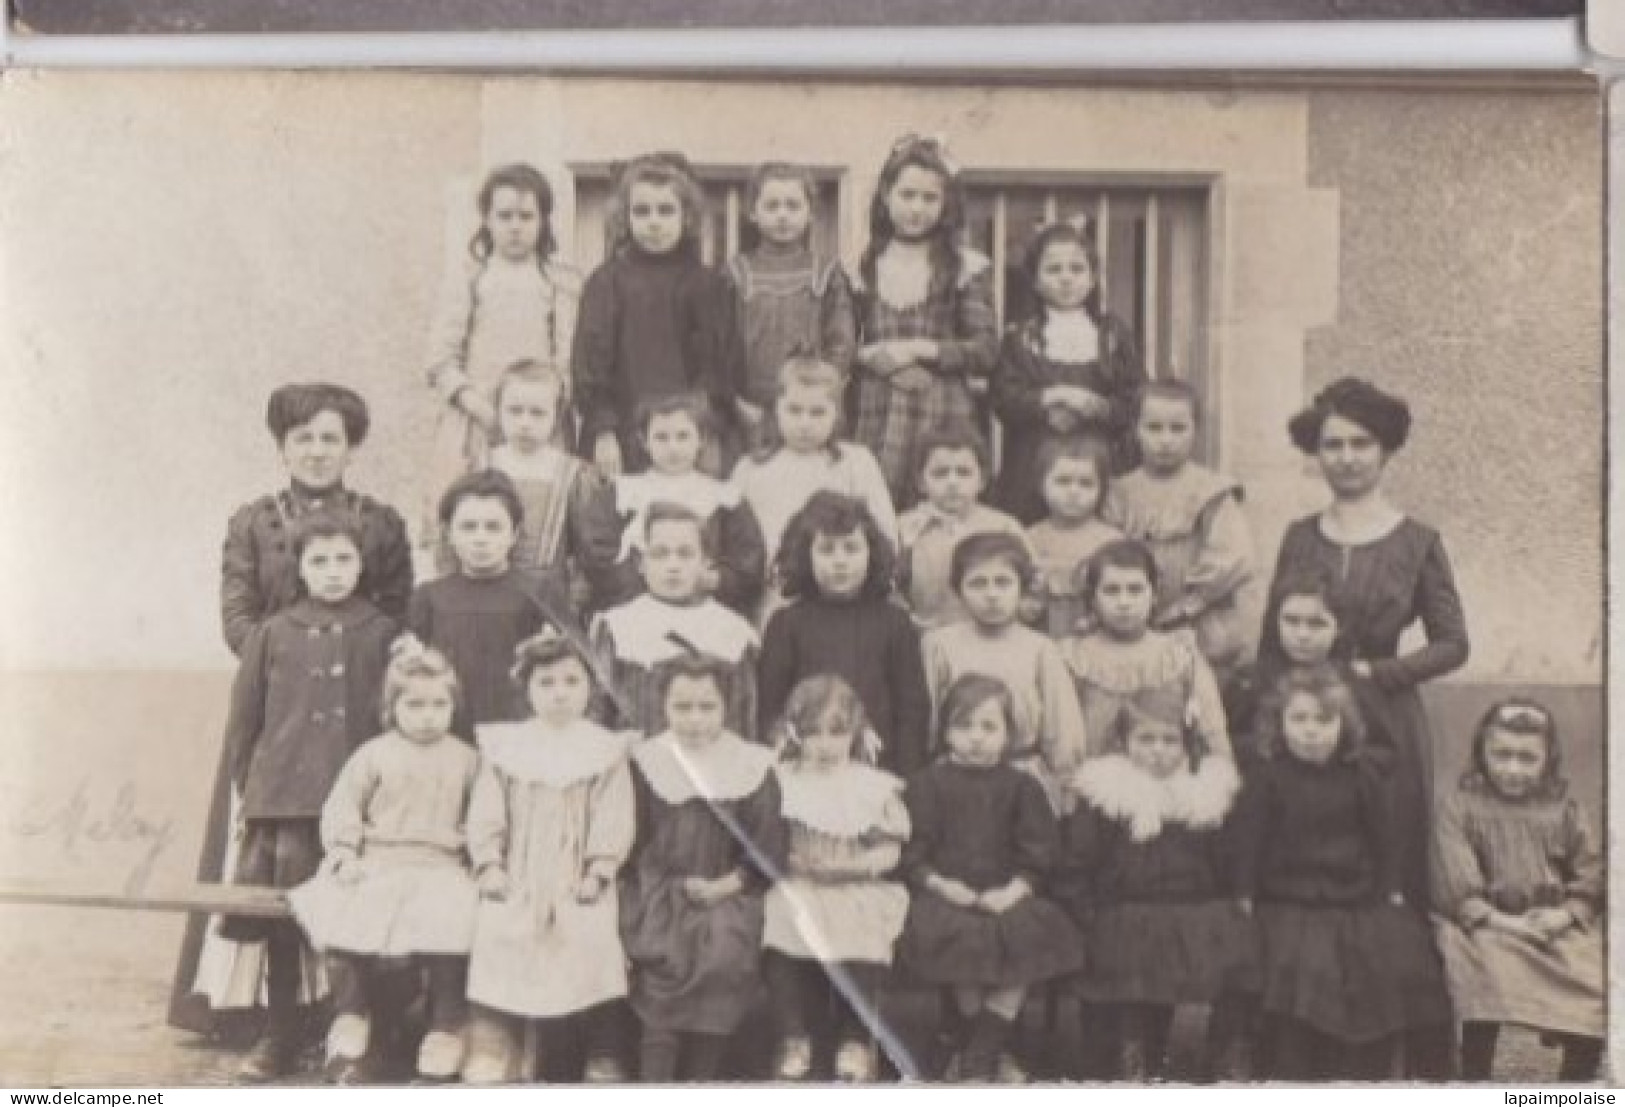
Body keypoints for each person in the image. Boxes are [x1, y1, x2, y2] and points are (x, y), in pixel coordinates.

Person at [173, 382, 413, 1036]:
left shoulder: (380, 522)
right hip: (278, 713)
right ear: (282, 447)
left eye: (330, 437)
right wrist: (289, 664)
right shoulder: (252, 521)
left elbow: (396, 613)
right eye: (302, 438)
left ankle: (350, 1014)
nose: (316, 450)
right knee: (274, 859)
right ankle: (259, 1013)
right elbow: (238, 616)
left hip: (358, 711)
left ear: (351, 446)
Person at [1261, 376, 1470, 916]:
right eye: (1333, 445)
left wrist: (1379, 674)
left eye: (1361, 444)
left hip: (1385, 723)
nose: (1347, 458)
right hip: (1301, 718)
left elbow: (1452, 643)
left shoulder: (1416, 541)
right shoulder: (1299, 536)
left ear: (1386, 450)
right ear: (1317, 453)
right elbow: (1272, 639)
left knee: (1386, 861)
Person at [215, 512, 401, 1079]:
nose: (332, 572)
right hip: (285, 805)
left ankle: (355, 1031)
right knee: (284, 920)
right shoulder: (272, 633)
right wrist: (252, 795)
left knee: (354, 917)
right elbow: (244, 724)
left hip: (360, 807)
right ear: (298, 566)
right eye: (318, 561)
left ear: (362, 563)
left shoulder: (384, 631)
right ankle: (281, 1031)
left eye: (344, 559)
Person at [1233, 666, 1452, 1081]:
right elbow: (1248, 843)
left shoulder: (1361, 776)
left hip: (1355, 896)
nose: (1311, 731)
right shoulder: (1267, 778)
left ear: (1345, 726)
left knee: (1389, 966)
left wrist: (1390, 890)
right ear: (1278, 725)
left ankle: (1361, 1069)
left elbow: (1385, 839)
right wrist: (1243, 894)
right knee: (1301, 970)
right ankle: (1294, 1069)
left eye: (1324, 720)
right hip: (1288, 898)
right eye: (1299, 719)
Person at [286, 641, 479, 1084]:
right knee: (347, 916)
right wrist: (343, 853)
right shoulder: (374, 754)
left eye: (438, 704)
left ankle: (446, 1027)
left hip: (441, 865)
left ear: (454, 706)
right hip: (379, 861)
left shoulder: (467, 759)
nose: (428, 715)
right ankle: (352, 1016)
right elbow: (343, 808)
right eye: (414, 705)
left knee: (451, 927)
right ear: (392, 708)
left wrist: (480, 859)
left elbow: (484, 817)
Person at [462, 632, 637, 1084]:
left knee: (591, 947)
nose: (559, 693)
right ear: (527, 690)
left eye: (571, 682)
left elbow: (614, 815)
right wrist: (489, 864)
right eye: (546, 683)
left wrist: (600, 870)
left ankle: (601, 1051)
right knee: (502, 940)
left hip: (577, 875)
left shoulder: (604, 750)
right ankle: (494, 1043)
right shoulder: (506, 747)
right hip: (518, 872)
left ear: (590, 688)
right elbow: (486, 808)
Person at [1061, 690, 1257, 1081]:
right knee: (1131, 965)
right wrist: (1086, 909)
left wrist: (1238, 893)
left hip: (1193, 908)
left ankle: (1227, 1051)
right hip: (1125, 907)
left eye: (1170, 741)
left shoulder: (1206, 794)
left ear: (1188, 746)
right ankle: (1133, 1054)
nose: (1158, 752)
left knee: (1243, 960)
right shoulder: (1108, 792)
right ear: (1123, 743)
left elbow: (1231, 856)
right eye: (1145, 740)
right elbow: (1080, 860)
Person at [897, 674, 1083, 1081]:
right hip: (947, 896)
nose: (976, 738)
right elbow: (912, 853)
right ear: (944, 730)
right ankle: (989, 1049)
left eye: (989, 727)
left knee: (1029, 935)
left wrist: (1014, 891)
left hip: (1008, 895)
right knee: (959, 941)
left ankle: (981, 1047)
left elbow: (1039, 852)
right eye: (963, 726)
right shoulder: (926, 785)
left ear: (1009, 734)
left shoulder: (1022, 787)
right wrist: (943, 886)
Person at [620, 655, 788, 1081]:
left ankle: (701, 1079)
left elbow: (767, 844)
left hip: (729, 887)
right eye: (682, 707)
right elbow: (631, 838)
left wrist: (728, 885)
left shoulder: (751, 765)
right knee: (662, 958)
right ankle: (655, 1081)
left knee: (722, 955)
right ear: (663, 706)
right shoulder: (647, 762)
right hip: (659, 886)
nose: (694, 720)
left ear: (727, 706)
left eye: (707, 707)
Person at [1433, 699, 1604, 1082]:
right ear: (1482, 754)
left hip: (1552, 925)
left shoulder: (1565, 810)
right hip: (1486, 926)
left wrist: (1564, 914)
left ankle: (1575, 1084)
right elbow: (1456, 884)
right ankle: (1477, 1075)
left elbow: (1590, 873)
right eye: (1502, 755)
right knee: (1483, 981)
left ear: (1549, 759)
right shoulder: (1459, 807)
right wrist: (1504, 923)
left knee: (1596, 982)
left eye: (1528, 758)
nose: (1513, 768)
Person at [762, 676, 911, 1082]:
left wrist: (853, 867)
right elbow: (763, 838)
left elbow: (891, 851)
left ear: (856, 733)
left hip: (853, 881)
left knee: (862, 928)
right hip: (800, 881)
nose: (825, 744)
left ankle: (856, 1038)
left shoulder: (869, 785)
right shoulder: (783, 780)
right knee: (781, 920)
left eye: (837, 732)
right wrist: (789, 859)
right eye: (812, 733)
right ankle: (793, 1036)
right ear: (795, 733)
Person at [424, 164, 581, 535]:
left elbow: (566, 358)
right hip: (475, 424)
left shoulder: (557, 281)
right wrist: (479, 407)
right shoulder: (470, 278)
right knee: (472, 517)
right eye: (504, 215)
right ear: (487, 221)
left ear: (543, 221)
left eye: (526, 216)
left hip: (539, 422)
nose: (515, 226)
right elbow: (440, 359)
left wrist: (548, 409)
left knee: (535, 519)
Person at [572, 152, 745, 479]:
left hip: (687, 439)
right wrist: (603, 432)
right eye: (642, 211)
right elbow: (590, 365)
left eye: (666, 211)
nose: (654, 221)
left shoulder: (707, 284)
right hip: (621, 434)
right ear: (625, 218)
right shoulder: (605, 282)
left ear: (687, 217)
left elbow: (718, 368)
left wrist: (702, 432)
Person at [851, 134, 998, 507]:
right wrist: (884, 362)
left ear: (947, 204)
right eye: (907, 195)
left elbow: (985, 351)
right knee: (877, 508)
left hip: (942, 410)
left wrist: (919, 350)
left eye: (930, 198)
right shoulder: (861, 267)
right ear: (886, 195)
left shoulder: (965, 267)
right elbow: (842, 343)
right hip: (878, 410)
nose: (917, 208)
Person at [758, 492, 929, 776]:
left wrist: (906, 778)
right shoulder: (786, 624)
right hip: (807, 769)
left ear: (871, 553)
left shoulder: (894, 623)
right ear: (804, 555)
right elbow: (771, 708)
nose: (840, 561)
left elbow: (911, 710)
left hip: (878, 770)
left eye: (851, 549)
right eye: (826, 550)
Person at [989, 219, 1145, 523]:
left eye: (1076, 269)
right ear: (1035, 280)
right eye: (1053, 269)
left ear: (1092, 278)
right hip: (1032, 461)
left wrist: (1095, 406)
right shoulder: (1019, 337)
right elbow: (1002, 399)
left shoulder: (1112, 335)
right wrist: (1048, 399)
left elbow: (1135, 399)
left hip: (1099, 460)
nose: (1066, 279)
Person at [921, 532, 1088, 811]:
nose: (991, 594)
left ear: (1021, 588)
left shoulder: (1040, 648)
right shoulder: (938, 644)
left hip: (1022, 777)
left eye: (1003, 583)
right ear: (958, 590)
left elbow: (1063, 728)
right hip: (957, 776)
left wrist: (1066, 782)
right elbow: (930, 719)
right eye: (978, 584)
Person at [408, 470, 576, 741]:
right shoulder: (429, 597)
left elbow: (562, 667)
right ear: (449, 532)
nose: (481, 538)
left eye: (493, 527)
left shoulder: (538, 593)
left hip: (519, 733)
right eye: (468, 527)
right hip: (446, 732)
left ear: (514, 533)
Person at [1102, 379, 1254, 680]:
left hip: (1197, 622)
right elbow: (1106, 553)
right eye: (1154, 428)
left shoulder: (1212, 491)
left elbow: (1234, 557)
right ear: (1136, 430)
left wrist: (1189, 604)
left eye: (1178, 428)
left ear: (1196, 430)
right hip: (1131, 618)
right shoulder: (1118, 493)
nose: (1166, 440)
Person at [730, 353, 899, 594]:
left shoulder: (855, 463)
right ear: (777, 409)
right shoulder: (750, 468)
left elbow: (883, 529)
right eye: (794, 411)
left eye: (817, 412)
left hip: (842, 586)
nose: (805, 423)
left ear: (836, 413)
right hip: (773, 589)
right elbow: (736, 537)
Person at [590, 504, 760, 741]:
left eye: (685, 554)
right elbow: (597, 718)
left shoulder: (734, 634)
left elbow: (745, 728)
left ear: (706, 561)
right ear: (641, 562)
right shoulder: (619, 626)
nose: (673, 566)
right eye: (660, 554)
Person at [591, 391, 766, 615]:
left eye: (683, 436)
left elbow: (748, 560)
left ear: (701, 438)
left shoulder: (724, 497)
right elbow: (599, 553)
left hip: (705, 608)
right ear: (644, 441)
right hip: (637, 607)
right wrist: (648, 583)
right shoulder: (623, 493)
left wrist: (714, 579)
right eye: (661, 437)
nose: (673, 447)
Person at [1062, 539, 1230, 763]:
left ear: (1154, 595)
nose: (1124, 602)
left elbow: (1212, 730)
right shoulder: (1073, 657)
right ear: (1093, 599)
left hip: (1166, 779)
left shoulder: (1178, 656)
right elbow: (1060, 734)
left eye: (1135, 590)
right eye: (1112, 591)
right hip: (1093, 779)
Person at [725, 161, 857, 445]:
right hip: (751, 411)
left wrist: (819, 396)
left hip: (811, 409)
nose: (782, 215)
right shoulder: (736, 272)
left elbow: (841, 344)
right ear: (753, 212)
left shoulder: (826, 273)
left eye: (793, 206)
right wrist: (735, 402)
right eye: (771, 206)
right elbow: (720, 344)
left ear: (810, 213)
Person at [481, 359, 613, 610]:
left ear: (557, 415)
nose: (525, 423)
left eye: (537, 413)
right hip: (485, 587)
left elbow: (589, 549)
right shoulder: (484, 465)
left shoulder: (572, 473)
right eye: (514, 411)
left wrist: (579, 594)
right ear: (498, 410)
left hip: (547, 596)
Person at [896, 424, 1029, 631]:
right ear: (921, 481)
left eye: (964, 473)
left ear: (982, 480)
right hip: (925, 635)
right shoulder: (904, 528)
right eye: (940, 473)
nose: (953, 482)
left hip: (993, 636)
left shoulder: (1004, 527)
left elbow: (1031, 588)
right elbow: (892, 589)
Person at [1024, 437, 1124, 639]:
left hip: (1097, 639)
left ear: (1101, 489)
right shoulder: (1029, 538)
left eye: (1086, 484)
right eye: (1062, 482)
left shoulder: (1112, 542)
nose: (1074, 492)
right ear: (1041, 485)